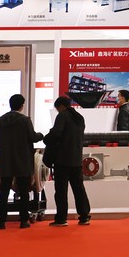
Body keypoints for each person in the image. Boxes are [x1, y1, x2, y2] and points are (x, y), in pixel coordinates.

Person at [0, 94, 44, 230]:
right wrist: (41, 135)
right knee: (24, 191)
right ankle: (24, 220)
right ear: (22, 106)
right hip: (23, 160)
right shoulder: (25, 121)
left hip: (6, 161)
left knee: (4, 191)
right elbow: (32, 137)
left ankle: (1, 221)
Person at [44, 95, 91, 226]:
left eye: (57, 108)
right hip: (76, 159)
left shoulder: (63, 116)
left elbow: (56, 133)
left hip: (62, 160)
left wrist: (46, 139)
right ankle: (84, 216)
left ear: (61, 106)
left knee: (61, 191)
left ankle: (61, 218)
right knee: (79, 189)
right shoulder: (79, 118)